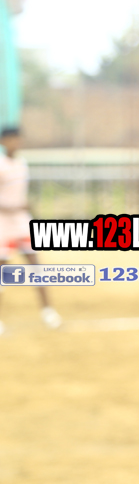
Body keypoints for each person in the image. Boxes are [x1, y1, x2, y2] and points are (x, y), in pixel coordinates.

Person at [0, 127, 60, 333]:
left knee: (36, 267)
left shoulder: (22, 164)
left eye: (17, 139)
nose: (15, 143)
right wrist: (13, 207)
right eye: (11, 139)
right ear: (3, 141)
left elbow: (19, 195)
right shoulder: (1, 165)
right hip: (3, 223)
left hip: (21, 221)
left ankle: (48, 312)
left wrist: (26, 207)